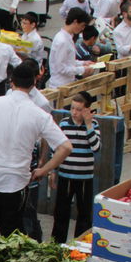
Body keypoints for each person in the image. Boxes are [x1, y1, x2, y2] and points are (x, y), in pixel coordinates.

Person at [0, 62, 72, 238]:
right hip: (15, 182)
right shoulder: (39, 114)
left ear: (11, 81)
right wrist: (44, 170)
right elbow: (66, 147)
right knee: (12, 237)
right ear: (34, 83)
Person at [51, 92, 101, 242]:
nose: (74, 112)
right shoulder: (64, 124)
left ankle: (80, 244)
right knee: (61, 212)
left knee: (84, 214)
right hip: (65, 175)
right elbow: (56, 148)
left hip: (85, 176)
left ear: (87, 110)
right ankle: (57, 244)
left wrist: (88, 125)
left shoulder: (94, 125)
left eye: (78, 109)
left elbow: (96, 147)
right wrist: (53, 171)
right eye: (72, 108)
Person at [48, 8, 95, 89]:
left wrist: (83, 63)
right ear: (75, 22)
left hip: (66, 83)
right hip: (60, 85)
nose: (82, 29)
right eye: (82, 25)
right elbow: (61, 68)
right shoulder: (62, 40)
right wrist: (82, 69)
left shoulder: (67, 37)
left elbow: (68, 61)